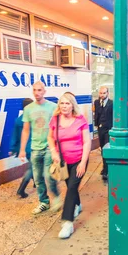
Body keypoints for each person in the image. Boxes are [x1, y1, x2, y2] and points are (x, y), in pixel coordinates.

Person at [48, 93, 91, 239]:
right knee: (71, 187)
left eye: (67, 103)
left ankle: (67, 223)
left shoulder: (80, 120)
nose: (64, 106)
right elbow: (50, 137)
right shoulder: (55, 119)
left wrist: (83, 162)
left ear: (72, 105)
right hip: (63, 163)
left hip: (79, 160)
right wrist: (53, 151)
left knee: (72, 187)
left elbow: (87, 142)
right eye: (62, 103)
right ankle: (77, 204)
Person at [19, 81, 62, 215]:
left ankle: (56, 197)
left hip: (49, 147)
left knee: (48, 176)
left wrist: (58, 149)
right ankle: (44, 201)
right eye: (35, 90)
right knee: (37, 178)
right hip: (35, 148)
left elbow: (59, 128)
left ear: (44, 91)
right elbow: (25, 130)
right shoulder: (28, 109)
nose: (37, 93)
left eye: (39, 90)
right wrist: (22, 149)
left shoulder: (53, 107)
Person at [9, 98, 34, 198]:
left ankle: (36, 182)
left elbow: (14, 135)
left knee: (33, 166)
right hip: (33, 147)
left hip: (24, 149)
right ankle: (21, 189)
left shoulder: (18, 120)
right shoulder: (34, 119)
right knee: (32, 168)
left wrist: (12, 148)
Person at [93, 86, 113, 181]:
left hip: (108, 130)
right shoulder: (97, 102)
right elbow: (96, 114)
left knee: (105, 149)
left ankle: (106, 170)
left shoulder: (112, 103)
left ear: (107, 93)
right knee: (102, 148)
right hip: (100, 129)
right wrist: (96, 125)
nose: (102, 95)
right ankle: (105, 167)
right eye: (100, 93)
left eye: (104, 93)